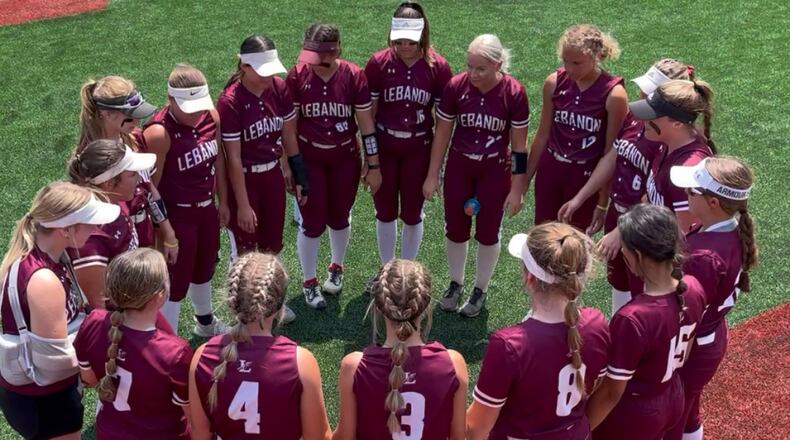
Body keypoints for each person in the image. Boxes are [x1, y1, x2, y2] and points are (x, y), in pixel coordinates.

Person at [558, 59, 694, 312]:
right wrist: (583, 197)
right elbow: (614, 155)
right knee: (619, 281)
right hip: (620, 213)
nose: (642, 94)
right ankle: (619, 330)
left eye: (651, 91)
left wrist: (621, 231)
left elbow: (654, 190)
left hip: (644, 227)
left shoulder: (665, 135)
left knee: (643, 290)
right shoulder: (636, 115)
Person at [466, 222, 609, 440]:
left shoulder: (509, 345)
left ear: (529, 277)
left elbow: (476, 427)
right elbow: (600, 390)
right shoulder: (597, 323)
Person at [0, 181, 119, 440]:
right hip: (45, 402)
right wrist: (93, 368)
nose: (96, 228)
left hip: (37, 397)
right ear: (65, 230)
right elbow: (51, 363)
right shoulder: (43, 280)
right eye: (89, 222)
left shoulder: (50, 256)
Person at [423, 33, 529, 317]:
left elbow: (519, 147)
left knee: (488, 232)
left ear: (498, 65)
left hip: (494, 169)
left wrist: (517, 188)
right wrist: (433, 174)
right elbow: (442, 133)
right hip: (460, 165)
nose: (472, 73)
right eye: (469, 66)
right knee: (455, 227)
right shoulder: (457, 86)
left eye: (480, 68)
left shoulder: (514, 92)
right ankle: (456, 282)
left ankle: (480, 287)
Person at [586, 204, 708, 440]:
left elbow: (612, 391)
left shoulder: (632, 319)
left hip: (635, 414)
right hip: (672, 395)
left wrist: (583, 429)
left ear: (637, 256)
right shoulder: (693, 287)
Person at [287, 23, 382, 309]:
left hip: (344, 158)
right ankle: (309, 281)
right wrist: (293, 166)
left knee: (340, 216)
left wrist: (373, 163)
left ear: (335, 50)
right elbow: (288, 129)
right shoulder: (298, 75)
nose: (313, 62)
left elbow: (366, 125)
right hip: (310, 157)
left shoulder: (353, 75)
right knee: (311, 222)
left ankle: (337, 267)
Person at [189, 252, 332, 440]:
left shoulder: (202, 356)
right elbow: (318, 437)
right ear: (280, 305)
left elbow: (200, 434)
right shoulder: (300, 362)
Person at [664, 157, 758, 440]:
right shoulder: (727, 230)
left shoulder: (706, 257)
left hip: (693, 347)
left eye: (693, 191)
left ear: (713, 202)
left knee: (672, 421)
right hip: (710, 337)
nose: (686, 194)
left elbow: (689, 314)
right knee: (688, 411)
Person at [334, 259, 468, 439]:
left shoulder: (354, 366)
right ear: (426, 305)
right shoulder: (453, 363)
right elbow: (459, 437)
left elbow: (344, 437)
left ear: (379, 307)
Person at [143, 64, 231, 334]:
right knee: (175, 280)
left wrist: (223, 202)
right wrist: (164, 231)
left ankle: (204, 322)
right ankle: (167, 338)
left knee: (205, 267)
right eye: (188, 108)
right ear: (170, 99)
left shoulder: (210, 117)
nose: (196, 115)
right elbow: (149, 188)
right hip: (177, 215)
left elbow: (219, 162)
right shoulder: (158, 132)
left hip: (206, 210)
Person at [364, 2, 452, 273]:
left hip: (418, 148)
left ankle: (408, 269)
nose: (404, 46)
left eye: (410, 41)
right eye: (399, 40)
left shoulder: (438, 67)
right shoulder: (378, 63)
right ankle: (386, 269)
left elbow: (443, 124)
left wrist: (435, 170)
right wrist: (370, 161)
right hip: (385, 146)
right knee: (385, 211)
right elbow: (368, 116)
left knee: (413, 214)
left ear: (423, 35)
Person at [74, 248, 193, 439]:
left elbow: (89, 379)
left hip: (110, 432)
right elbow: (193, 417)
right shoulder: (175, 353)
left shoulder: (94, 322)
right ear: (159, 296)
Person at [216, 35, 309, 271]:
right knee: (245, 254)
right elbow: (233, 158)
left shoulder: (278, 87)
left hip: (272, 177)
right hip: (245, 181)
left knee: (272, 248)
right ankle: (244, 306)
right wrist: (243, 205)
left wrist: (299, 176)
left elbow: (289, 136)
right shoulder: (230, 101)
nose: (269, 76)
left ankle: (271, 305)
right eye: (262, 71)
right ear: (244, 66)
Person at [525, 24, 628, 232]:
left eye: (577, 63)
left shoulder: (614, 94)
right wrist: (524, 180)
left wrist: (602, 201)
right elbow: (542, 134)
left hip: (586, 176)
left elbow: (611, 152)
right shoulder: (553, 83)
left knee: (577, 243)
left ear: (597, 56)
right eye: (565, 61)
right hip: (550, 170)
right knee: (543, 237)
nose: (569, 69)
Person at [78, 75, 178, 256]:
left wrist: (167, 231)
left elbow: (149, 188)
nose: (137, 122)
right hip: (115, 240)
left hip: (143, 231)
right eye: (130, 117)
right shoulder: (91, 157)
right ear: (107, 114)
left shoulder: (136, 139)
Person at [67, 139, 157, 309]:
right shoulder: (91, 236)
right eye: (132, 175)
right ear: (108, 183)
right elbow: (98, 307)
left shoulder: (115, 202)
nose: (138, 179)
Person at [631, 79, 717, 231]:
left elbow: (683, 233)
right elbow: (652, 197)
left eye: (652, 115)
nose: (643, 120)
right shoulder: (668, 143)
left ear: (677, 124)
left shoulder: (686, 172)